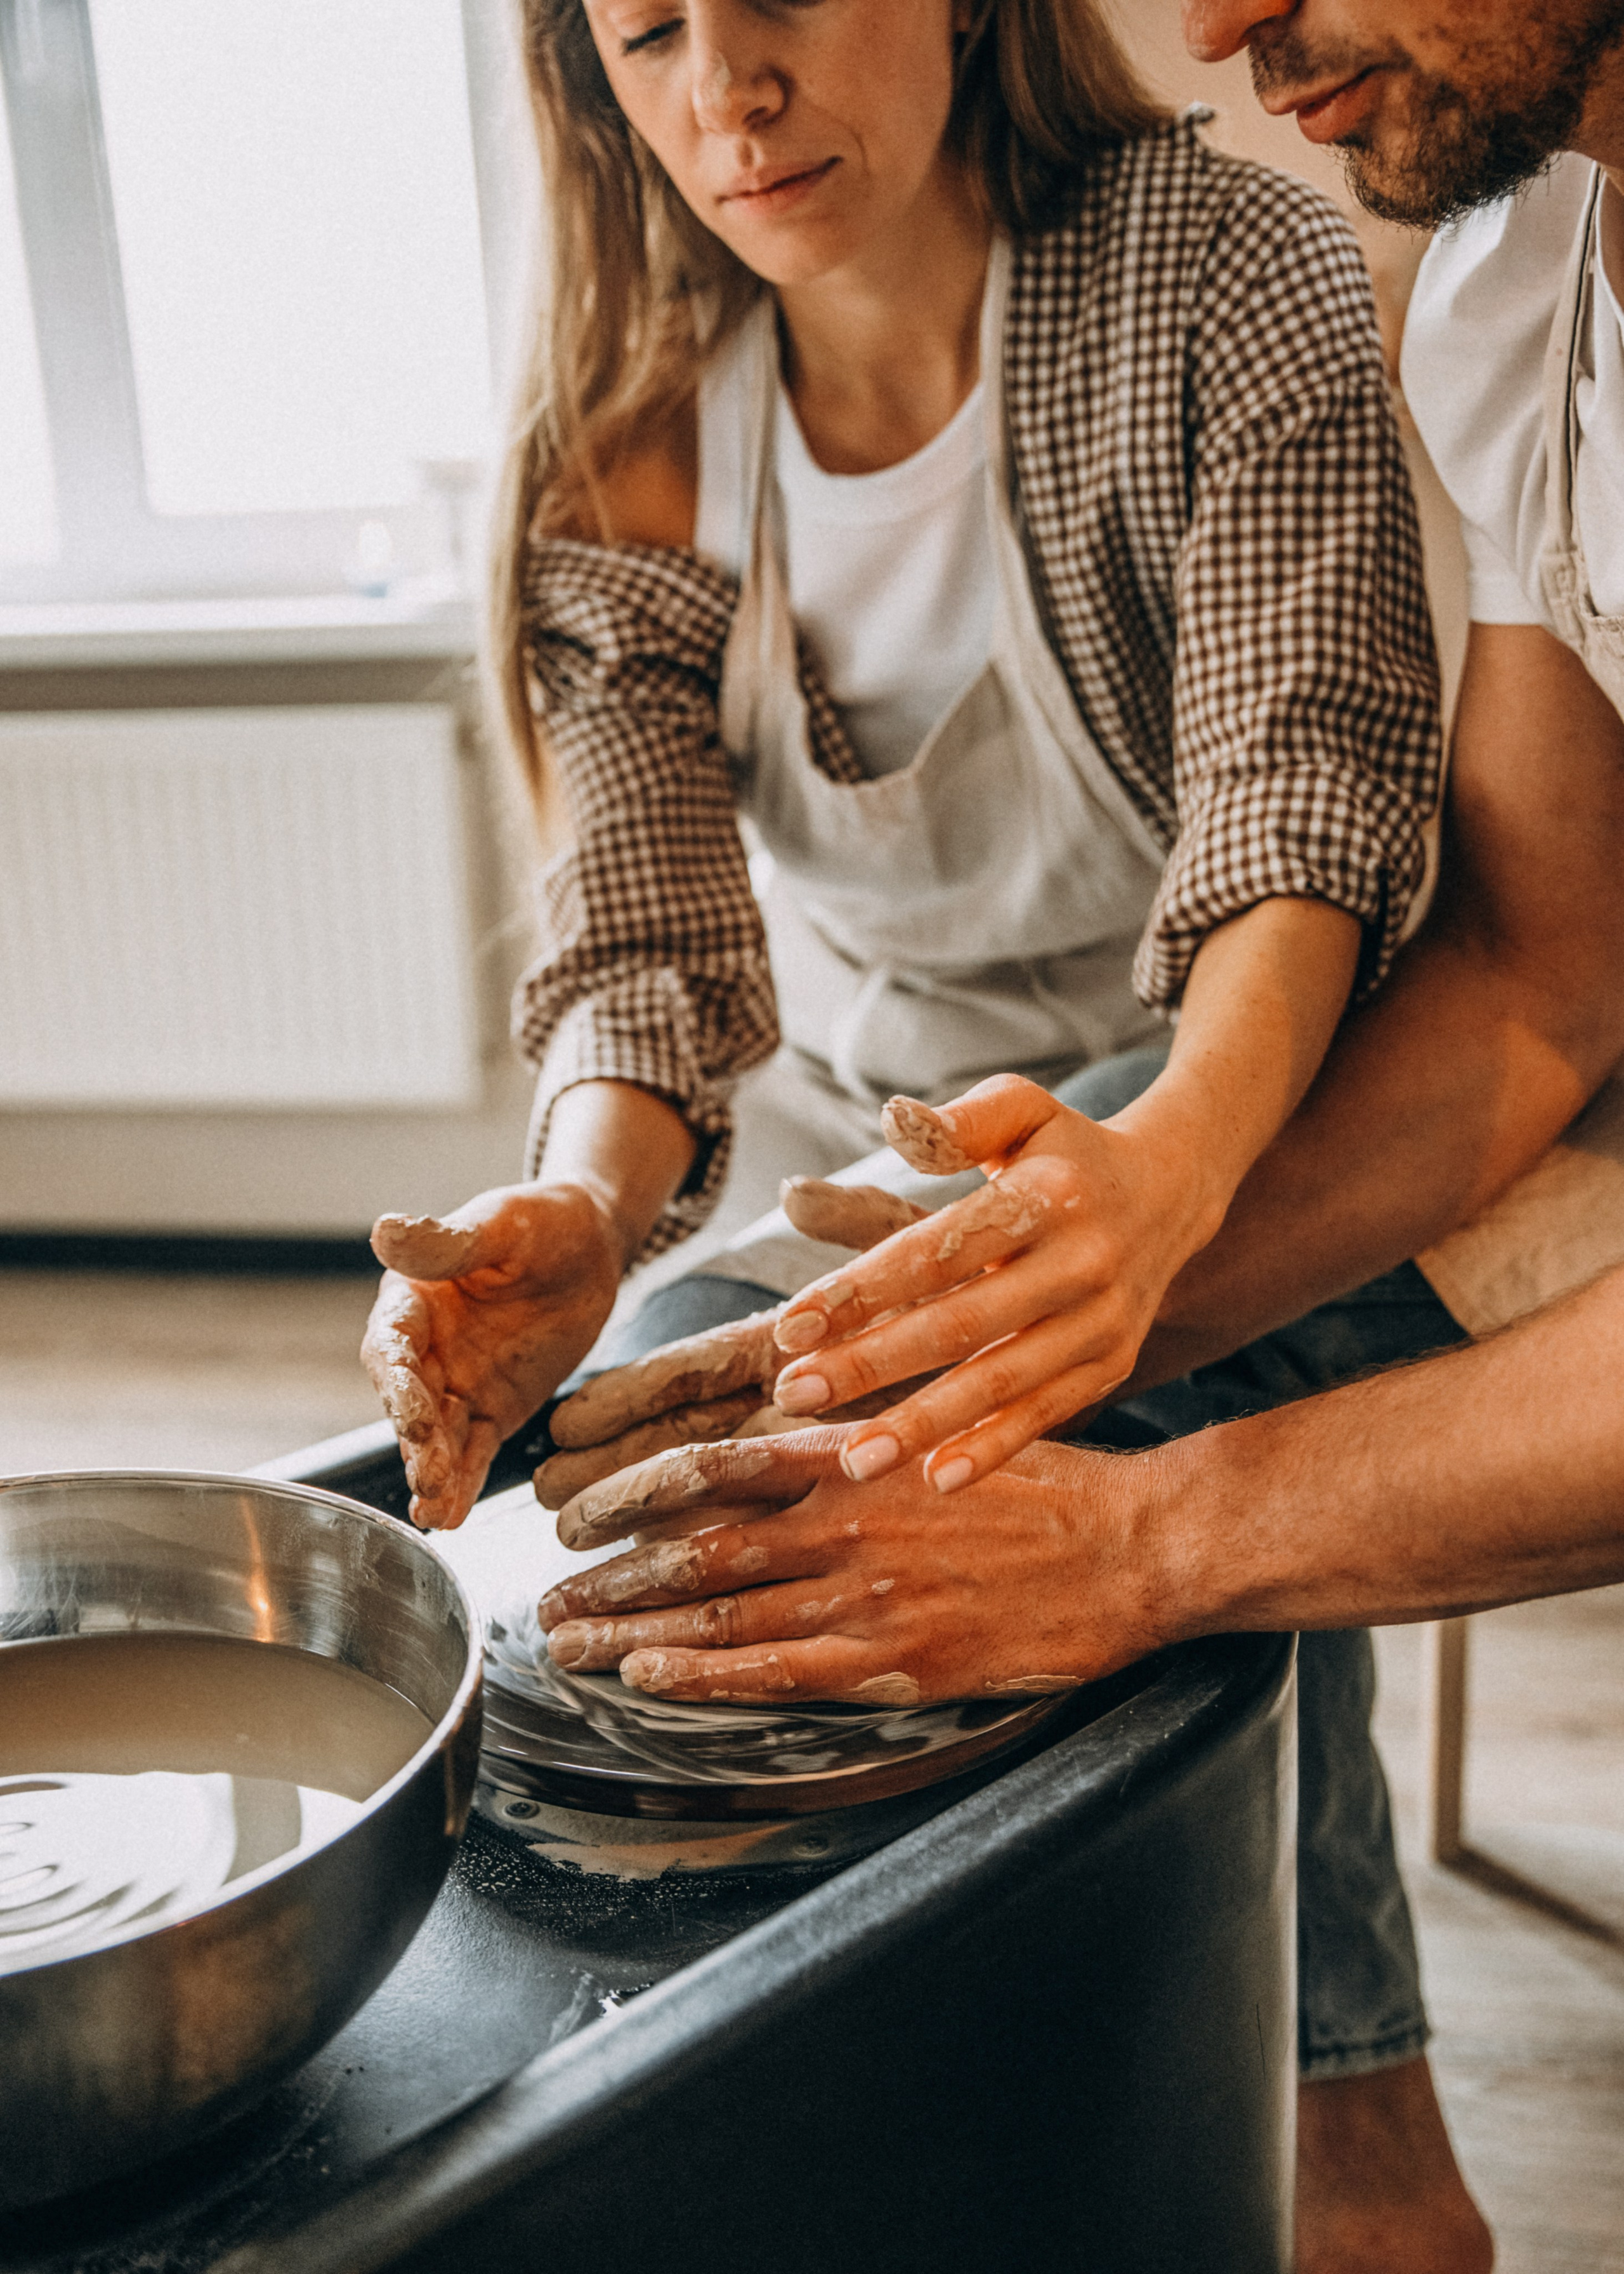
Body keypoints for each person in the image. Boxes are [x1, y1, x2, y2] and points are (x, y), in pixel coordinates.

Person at [526, 2, 1624, 2268]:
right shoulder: (1534, 290)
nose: (1208, 21)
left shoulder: (1217, 269)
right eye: (646, 29)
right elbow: (1548, 966)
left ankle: (1356, 2169)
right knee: (806, 1406)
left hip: (1261, 1024)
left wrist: (1149, 1344)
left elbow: (1312, 788)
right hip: (938, 1101)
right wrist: (599, 1207)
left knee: (1000, 1398)